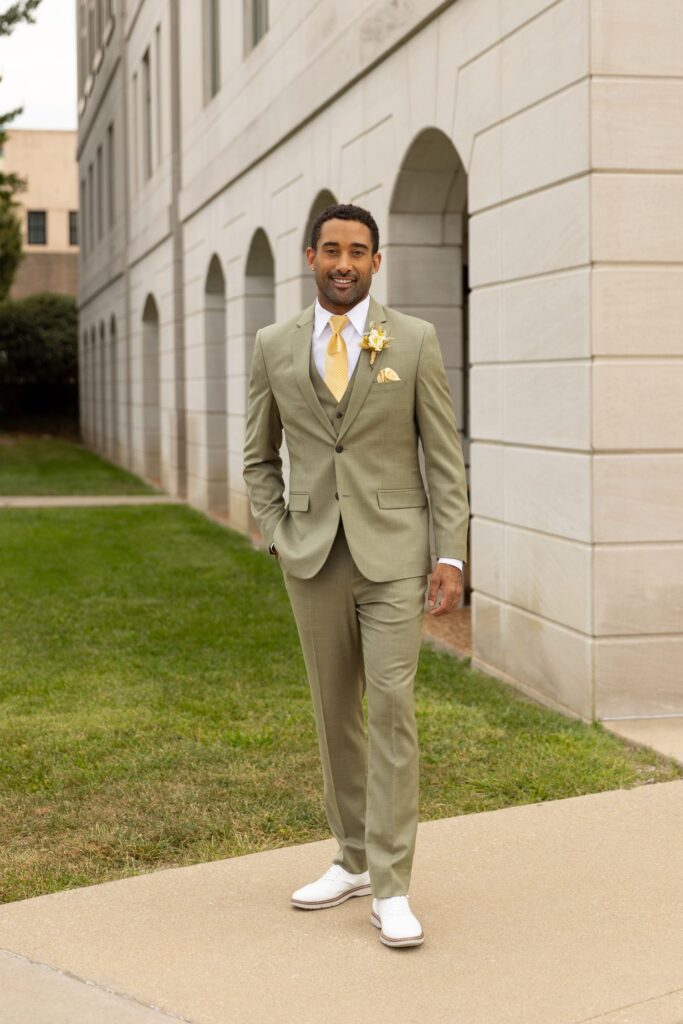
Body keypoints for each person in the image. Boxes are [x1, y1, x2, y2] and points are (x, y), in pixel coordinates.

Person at [243, 203, 469, 948]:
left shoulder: (413, 339)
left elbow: (442, 454)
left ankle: (393, 886)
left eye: (359, 251)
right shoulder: (273, 345)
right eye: (331, 249)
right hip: (310, 554)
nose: (344, 262)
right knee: (333, 711)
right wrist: (276, 529)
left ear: (377, 262)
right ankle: (353, 858)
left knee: (392, 710)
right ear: (310, 257)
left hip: (395, 556)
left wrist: (450, 554)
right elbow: (257, 455)